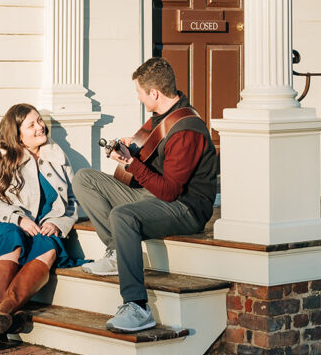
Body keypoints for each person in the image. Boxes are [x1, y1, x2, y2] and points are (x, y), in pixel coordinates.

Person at [73, 57, 217, 333]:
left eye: (139, 92)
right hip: (154, 197)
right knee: (84, 179)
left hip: (185, 208)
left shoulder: (187, 129)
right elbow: (157, 162)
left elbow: (171, 191)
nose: (138, 97)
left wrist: (132, 164)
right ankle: (118, 251)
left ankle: (138, 306)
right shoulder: (162, 118)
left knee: (122, 215)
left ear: (154, 93)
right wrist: (134, 148)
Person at [0, 103, 80, 349]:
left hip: (41, 229)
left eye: (39, 121)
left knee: (49, 247)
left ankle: (1, 312)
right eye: (32, 124)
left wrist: (57, 222)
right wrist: (17, 218)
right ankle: (2, 316)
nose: (40, 127)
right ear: (17, 134)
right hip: (3, 226)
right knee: (11, 236)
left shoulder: (56, 155)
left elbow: (72, 200)